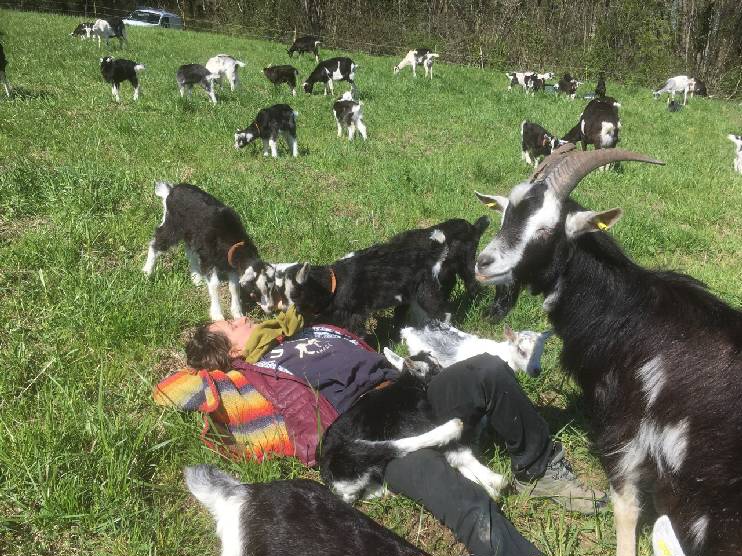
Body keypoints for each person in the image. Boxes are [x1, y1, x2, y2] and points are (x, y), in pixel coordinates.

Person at [157, 310, 606, 556]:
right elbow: (179, 391)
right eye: (230, 325)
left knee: (488, 370)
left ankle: (541, 467)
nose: (240, 316)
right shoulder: (258, 372)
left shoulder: (305, 326)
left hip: (411, 389)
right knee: (453, 492)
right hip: (370, 429)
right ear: (230, 348)